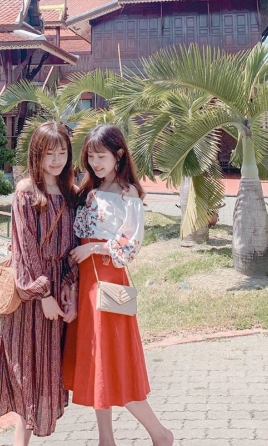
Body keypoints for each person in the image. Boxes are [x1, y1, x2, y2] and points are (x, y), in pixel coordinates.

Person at [0, 121, 79, 446]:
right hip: (29, 299)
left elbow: (73, 247)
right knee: (7, 377)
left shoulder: (71, 194)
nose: (56, 160)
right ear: (37, 154)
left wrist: (68, 290)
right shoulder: (26, 192)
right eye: (50, 153)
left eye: (62, 152)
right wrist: (43, 294)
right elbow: (26, 248)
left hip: (56, 297)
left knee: (37, 378)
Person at [63, 123, 174, 446]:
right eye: (91, 157)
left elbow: (130, 245)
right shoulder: (88, 190)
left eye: (102, 156)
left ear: (119, 155)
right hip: (86, 282)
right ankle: (105, 439)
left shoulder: (128, 194)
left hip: (108, 279)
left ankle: (160, 434)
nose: (95, 163)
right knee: (98, 361)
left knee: (115, 361)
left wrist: (93, 249)